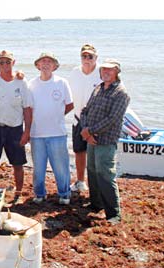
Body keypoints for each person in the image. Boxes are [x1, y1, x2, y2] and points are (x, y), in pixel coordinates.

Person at [80, 58, 130, 225]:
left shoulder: (121, 93)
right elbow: (86, 110)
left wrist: (90, 131)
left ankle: (113, 213)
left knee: (106, 175)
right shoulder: (98, 88)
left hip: (106, 140)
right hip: (91, 138)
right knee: (92, 171)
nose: (106, 72)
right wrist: (85, 131)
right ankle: (96, 204)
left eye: (110, 70)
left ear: (117, 72)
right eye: (103, 70)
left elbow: (112, 119)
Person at [0, 50, 32, 204]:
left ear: (13, 63)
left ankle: (19, 192)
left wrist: (27, 131)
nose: (5, 65)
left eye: (8, 62)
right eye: (1, 62)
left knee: (18, 163)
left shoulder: (21, 82)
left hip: (15, 128)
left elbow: (27, 109)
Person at [29, 52, 74, 205]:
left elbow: (69, 105)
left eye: (49, 61)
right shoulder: (31, 84)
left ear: (55, 66)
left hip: (57, 133)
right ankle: (40, 194)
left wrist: (56, 116)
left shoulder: (62, 83)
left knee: (61, 167)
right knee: (38, 169)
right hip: (36, 134)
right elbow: (27, 108)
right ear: (38, 65)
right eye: (43, 61)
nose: (46, 64)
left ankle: (64, 193)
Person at [69, 44, 102, 192]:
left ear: (96, 57)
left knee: (96, 154)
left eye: (90, 56)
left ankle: (97, 185)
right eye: (84, 56)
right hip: (77, 119)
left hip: (96, 122)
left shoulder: (102, 72)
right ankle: (80, 181)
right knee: (79, 151)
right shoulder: (75, 72)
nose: (87, 59)